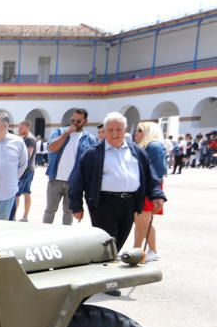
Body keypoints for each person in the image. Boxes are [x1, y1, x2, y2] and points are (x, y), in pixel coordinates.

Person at [68, 112, 165, 263]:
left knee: (117, 242)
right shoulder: (93, 153)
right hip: (104, 204)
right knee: (107, 243)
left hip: (129, 204)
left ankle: (105, 273)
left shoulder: (137, 152)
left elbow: (150, 176)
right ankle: (104, 279)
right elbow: (77, 179)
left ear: (125, 130)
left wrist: (157, 195)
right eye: (110, 130)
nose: (114, 133)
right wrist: (76, 206)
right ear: (104, 131)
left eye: (118, 129)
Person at [43, 109, 95, 225]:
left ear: (85, 121)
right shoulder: (59, 132)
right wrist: (66, 134)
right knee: (50, 210)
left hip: (74, 183)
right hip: (55, 179)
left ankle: (64, 235)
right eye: (72, 120)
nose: (74, 123)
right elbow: (51, 148)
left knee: (68, 212)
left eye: (78, 121)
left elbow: (91, 162)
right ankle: (43, 233)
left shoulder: (89, 138)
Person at [133, 121, 167, 262]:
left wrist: (155, 193)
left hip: (149, 188)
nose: (136, 133)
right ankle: (137, 250)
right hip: (141, 187)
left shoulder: (154, 146)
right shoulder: (144, 146)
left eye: (140, 130)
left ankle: (152, 250)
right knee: (139, 221)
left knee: (143, 221)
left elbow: (157, 171)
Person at [10, 120, 37, 221]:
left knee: (16, 194)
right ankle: (24, 216)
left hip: (25, 170)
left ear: (27, 127)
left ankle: (14, 216)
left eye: (20, 128)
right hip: (29, 169)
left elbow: (28, 155)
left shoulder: (29, 139)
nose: (18, 129)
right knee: (26, 192)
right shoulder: (25, 138)